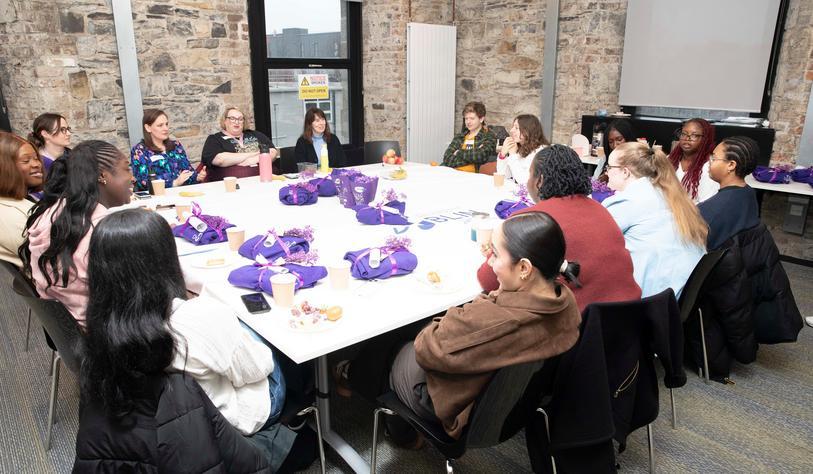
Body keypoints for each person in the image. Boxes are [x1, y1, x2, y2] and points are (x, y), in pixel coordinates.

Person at [73, 208, 314, 472]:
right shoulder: (198, 317)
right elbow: (258, 369)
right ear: (166, 259)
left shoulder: (100, 325)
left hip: (175, 423)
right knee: (273, 340)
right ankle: (311, 401)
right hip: (231, 420)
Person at [346, 212, 581, 444]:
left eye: (496, 254)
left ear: (524, 268)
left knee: (391, 341)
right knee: (414, 330)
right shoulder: (565, 303)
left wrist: (488, 299)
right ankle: (354, 378)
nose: (489, 261)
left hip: (456, 407)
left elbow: (426, 349)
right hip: (512, 408)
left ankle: (355, 382)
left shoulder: (497, 320)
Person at [477, 144, 641, 312]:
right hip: (630, 318)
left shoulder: (533, 220)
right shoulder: (601, 210)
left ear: (539, 181)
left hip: (581, 328)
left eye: (530, 175)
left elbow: (487, 280)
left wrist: (495, 251)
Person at [20, 140, 133, 325]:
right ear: (103, 176)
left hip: (68, 327)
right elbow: (133, 294)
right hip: (104, 334)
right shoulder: (100, 232)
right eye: (127, 169)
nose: (132, 177)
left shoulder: (55, 212)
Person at [603, 142, 707, 297]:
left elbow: (594, 241)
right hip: (679, 295)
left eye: (609, 167)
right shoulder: (668, 192)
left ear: (625, 172)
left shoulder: (629, 201)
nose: (607, 173)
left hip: (650, 299)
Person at [698, 136, 761, 250]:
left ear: (731, 165)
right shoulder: (748, 192)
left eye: (714, 158)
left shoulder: (711, 210)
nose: (709, 162)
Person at [130, 109, 207, 191]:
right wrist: (174, 183)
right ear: (148, 128)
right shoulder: (139, 150)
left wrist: (197, 177)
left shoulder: (176, 146)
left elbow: (187, 172)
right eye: (160, 125)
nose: (166, 128)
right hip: (157, 199)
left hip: (181, 194)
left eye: (166, 124)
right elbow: (143, 182)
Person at [0, 132, 43, 267]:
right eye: (26, 160)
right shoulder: (8, 214)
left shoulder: (22, 199)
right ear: (5, 167)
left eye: (36, 158)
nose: (37, 164)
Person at [201, 106, 279, 180]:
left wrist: (253, 160)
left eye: (240, 119)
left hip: (265, 180)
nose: (237, 122)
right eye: (232, 118)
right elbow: (220, 160)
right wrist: (255, 154)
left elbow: (273, 152)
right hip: (231, 186)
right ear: (225, 121)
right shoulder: (214, 139)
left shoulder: (255, 134)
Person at [667, 118, 719, 203]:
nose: (687, 138)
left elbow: (706, 204)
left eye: (694, 135)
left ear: (705, 139)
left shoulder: (710, 167)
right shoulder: (670, 159)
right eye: (684, 134)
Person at [441, 101, 497, 172]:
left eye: (472, 118)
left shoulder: (488, 136)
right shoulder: (460, 137)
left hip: (473, 177)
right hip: (453, 173)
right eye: (466, 118)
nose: (468, 122)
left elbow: (480, 155)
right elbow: (447, 158)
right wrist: (472, 159)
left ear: (481, 119)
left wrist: (458, 153)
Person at [496, 114, 548, 185]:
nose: (511, 130)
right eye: (513, 127)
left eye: (516, 128)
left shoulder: (540, 152)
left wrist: (513, 155)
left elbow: (524, 181)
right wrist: (502, 155)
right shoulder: (520, 147)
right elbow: (505, 175)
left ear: (528, 130)